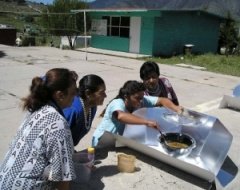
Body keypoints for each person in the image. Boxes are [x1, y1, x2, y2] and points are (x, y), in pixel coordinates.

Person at [0, 68, 78, 190]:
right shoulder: (58, 124)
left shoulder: (36, 109)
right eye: (73, 93)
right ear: (60, 95)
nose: (76, 97)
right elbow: (63, 177)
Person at [92, 80, 182, 147]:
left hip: (117, 141)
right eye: (137, 98)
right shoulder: (117, 103)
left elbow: (162, 100)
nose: (141, 101)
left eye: (142, 97)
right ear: (126, 96)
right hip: (102, 142)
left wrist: (176, 108)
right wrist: (147, 122)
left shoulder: (141, 99)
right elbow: (121, 116)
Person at [63, 74, 107, 146]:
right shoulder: (73, 111)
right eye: (101, 92)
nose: (105, 95)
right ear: (88, 93)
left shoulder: (92, 107)